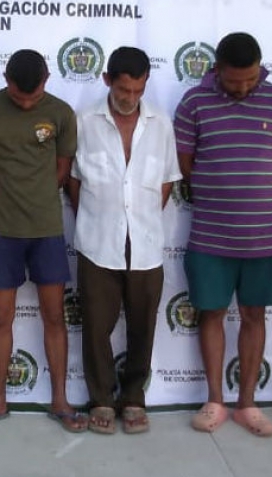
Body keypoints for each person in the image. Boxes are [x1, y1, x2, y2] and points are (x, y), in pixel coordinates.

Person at [173, 33, 272, 437]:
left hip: (264, 237)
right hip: (210, 236)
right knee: (210, 312)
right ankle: (214, 401)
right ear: (217, 70)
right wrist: (221, 190)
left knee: (254, 315)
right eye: (234, 81)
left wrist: (258, 189)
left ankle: (248, 404)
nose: (243, 87)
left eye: (250, 80)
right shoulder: (194, 102)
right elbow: (185, 162)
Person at [0, 49, 87, 433]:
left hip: (47, 231)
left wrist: (36, 201)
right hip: (1, 232)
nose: (27, 103)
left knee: (53, 317)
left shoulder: (62, 113)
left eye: (33, 98)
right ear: (6, 80)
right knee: (1, 318)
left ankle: (61, 400)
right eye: (19, 98)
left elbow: (63, 168)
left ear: (47, 79)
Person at [66, 46, 182, 435]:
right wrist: (105, 216)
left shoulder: (161, 124)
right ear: (107, 81)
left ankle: (133, 398)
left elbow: (165, 181)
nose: (129, 98)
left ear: (146, 82)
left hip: (146, 242)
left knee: (142, 326)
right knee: (96, 326)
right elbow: (74, 181)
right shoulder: (84, 122)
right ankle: (100, 397)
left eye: (137, 90)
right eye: (122, 90)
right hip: (97, 240)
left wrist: (138, 218)